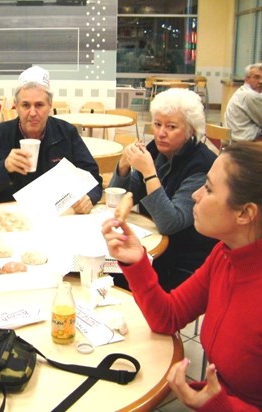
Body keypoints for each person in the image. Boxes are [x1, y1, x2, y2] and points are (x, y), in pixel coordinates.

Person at [101, 142, 262, 411]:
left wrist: (218, 405)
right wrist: (137, 261)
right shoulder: (225, 254)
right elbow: (168, 317)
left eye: (208, 188)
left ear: (245, 213)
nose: (196, 195)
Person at [108, 88, 217, 291]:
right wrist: (123, 166)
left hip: (182, 260)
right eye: (157, 124)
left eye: (171, 126)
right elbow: (115, 200)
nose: (161, 133)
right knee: (105, 267)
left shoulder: (201, 165)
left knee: (112, 275)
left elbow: (170, 223)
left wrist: (149, 173)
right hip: (151, 247)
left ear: (190, 130)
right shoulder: (155, 150)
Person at [0, 66, 102, 213]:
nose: (32, 113)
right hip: (7, 217)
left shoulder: (66, 133)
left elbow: (93, 177)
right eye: (26, 105)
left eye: (39, 105)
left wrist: (89, 197)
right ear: (16, 106)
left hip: (54, 217)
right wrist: (4, 168)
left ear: (50, 106)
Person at [224, 62, 262, 142]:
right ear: (247, 79)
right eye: (256, 77)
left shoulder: (242, 90)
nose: (260, 81)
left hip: (232, 137)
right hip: (243, 140)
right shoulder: (250, 95)